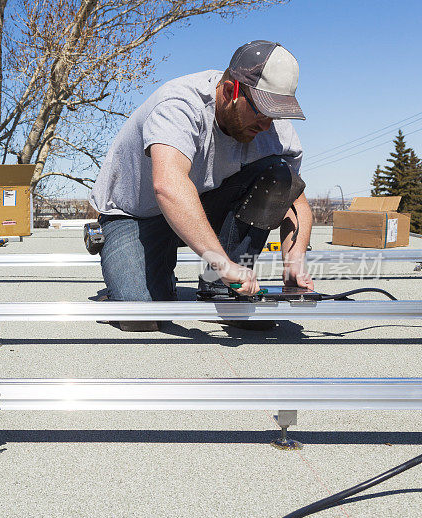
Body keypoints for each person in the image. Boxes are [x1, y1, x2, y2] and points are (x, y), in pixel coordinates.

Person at [89, 40, 314, 331]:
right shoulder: (180, 105)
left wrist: (294, 259)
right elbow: (168, 186)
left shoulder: (271, 127)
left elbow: (296, 200)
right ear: (232, 90)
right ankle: (161, 277)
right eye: (261, 111)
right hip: (136, 215)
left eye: (274, 114)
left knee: (278, 173)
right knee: (141, 317)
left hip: (202, 205)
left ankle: (218, 288)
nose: (266, 125)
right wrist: (223, 263)